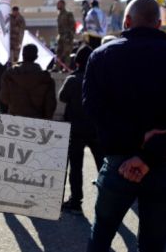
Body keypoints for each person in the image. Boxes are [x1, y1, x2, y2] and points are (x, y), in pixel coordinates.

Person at [83, 0, 166, 252]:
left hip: (119, 162)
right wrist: (150, 151)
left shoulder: (102, 56)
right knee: (153, 241)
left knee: (102, 234)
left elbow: (94, 110)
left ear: (126, 22)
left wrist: (136, 142)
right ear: (159, 24)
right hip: (165, 162)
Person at [59, 45, 104, 215]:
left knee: (76, 167)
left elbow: (62, 97)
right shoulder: (99, 78)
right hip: (96, 128)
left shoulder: (73, 79)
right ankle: (106, 198)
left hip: (76, 128)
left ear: (77, 62)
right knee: (102, 165)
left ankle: (76, 201)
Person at [0, 44, 56, 119]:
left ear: (23, 56)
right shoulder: (46, 79)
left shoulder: (10, 75)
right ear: (36, 57)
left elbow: (4, 99)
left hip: (14, 120)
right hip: (37, 121)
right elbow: (50, 105)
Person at [56, 0, 76, 68]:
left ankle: (66, 67)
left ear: (63, 4)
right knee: (58, 52)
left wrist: (70, 36)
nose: (57, 5)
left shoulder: (68, 14)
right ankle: (57, 67)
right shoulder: (59, 15)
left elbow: (73, 25)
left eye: (59, 4)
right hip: (60, 36)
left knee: (67, 53)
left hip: (67, 36)